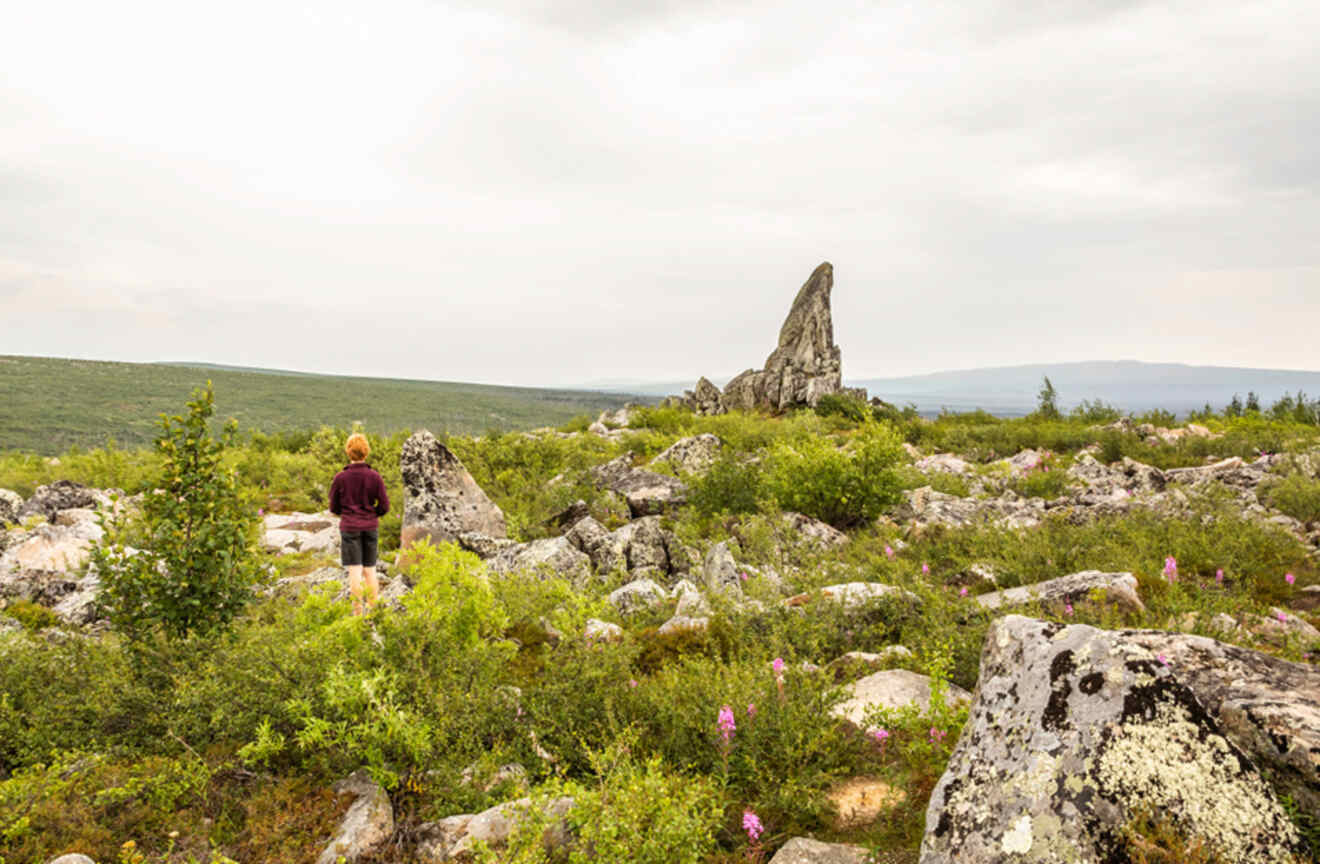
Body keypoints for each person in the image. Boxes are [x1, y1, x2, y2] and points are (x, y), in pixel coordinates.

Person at [328, 433, 390, 616]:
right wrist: (372, 514)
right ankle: (373, 613)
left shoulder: (340, 478)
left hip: (350, 527)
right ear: (366, 452)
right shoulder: (375, 477)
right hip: (370, 526)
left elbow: (333, 506)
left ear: (348, 452)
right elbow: (385, 506)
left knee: (354, 571)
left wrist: (347, 514)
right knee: (370, 570)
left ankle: (357, 615)